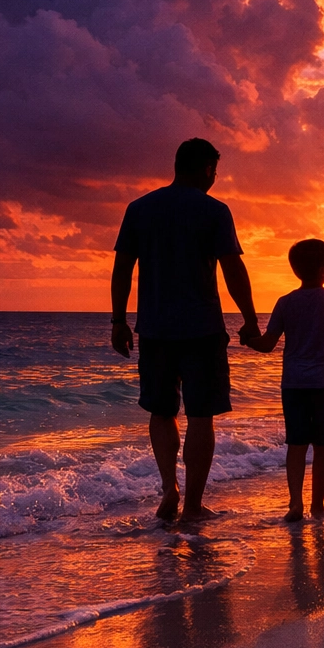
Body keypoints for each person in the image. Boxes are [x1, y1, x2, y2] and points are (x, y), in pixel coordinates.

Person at [111, 138, 258, 522]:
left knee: (161, 413)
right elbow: (232, 269)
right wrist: (250, 318)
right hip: (202, 329)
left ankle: (168, 490)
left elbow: (123, 269)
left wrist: (117, 320)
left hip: (155, 329)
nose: (215, 178)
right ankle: (192, 504)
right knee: (200, 416)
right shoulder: (214, 211)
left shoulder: (140, 208)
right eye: (214, 171)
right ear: (205, 169)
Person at [242, 239, 324, 522]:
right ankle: (317, 505)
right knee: (323, 445)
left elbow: (267, 344)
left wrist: (248, 340)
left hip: (294, 384)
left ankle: (295, 503)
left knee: (297, 444)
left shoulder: (285, 302)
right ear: (322, 267)